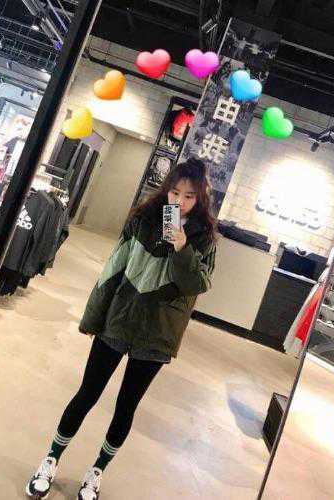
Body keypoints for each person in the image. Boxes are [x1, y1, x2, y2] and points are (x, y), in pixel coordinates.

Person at [26, 158, 217, 500]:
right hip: (119, 319)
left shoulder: (204, 238)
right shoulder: (143, 219)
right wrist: (94, 316)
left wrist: (182, 248)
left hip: (157, 333)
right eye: (175, 192)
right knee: (87, 393)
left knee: (126, 406)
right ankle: (51, 458)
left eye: (189, 196)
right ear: (167, 189)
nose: (179, 201)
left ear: (200, 198)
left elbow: (197, 285)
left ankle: (97, 471)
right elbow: (113, 268)